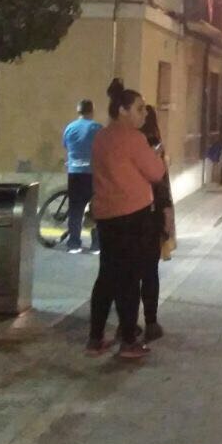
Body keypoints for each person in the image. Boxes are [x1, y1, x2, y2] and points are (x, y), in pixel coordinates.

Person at [87, 79, 165, 360]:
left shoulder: (101, 137)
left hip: (106, 215)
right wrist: (157, 157)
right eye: (139, 109)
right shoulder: (134, 138)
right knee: (130, 278)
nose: (144, 114)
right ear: (123, 110)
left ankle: (95, 338)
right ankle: (129, 340)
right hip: (133, 216)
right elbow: (156, 173)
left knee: (107, 275)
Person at [138, 106, 175, 342]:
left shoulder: (124, 141)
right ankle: (150, 323)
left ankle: (128, 325)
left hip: (128, 213)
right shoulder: (152, 143)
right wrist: (167, 216)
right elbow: (159, 180)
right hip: (149, 212)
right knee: (149, 272)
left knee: (130, 273)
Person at [61, 99, 102, 254]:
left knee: (75, 209)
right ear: (91, 111)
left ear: (78, 111)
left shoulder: (70, 128)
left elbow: (66, 145)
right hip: (92, 173)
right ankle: (96, 245)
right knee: (96, 209)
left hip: (74, 172)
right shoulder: (97, 128)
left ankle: (74, 243)